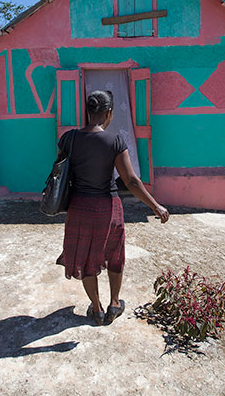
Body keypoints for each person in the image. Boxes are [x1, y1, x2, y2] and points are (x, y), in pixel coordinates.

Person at [56, 90, 169, 325]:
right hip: (108, 207)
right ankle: (114, 304)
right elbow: (131, 181)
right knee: (114, 255)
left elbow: (60, 171)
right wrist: (155, 206)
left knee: (86, 258)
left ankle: (96, 309)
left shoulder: (69, 138)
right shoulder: (115, 141)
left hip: (79, 207)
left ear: (87, 111)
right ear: (108, 113)